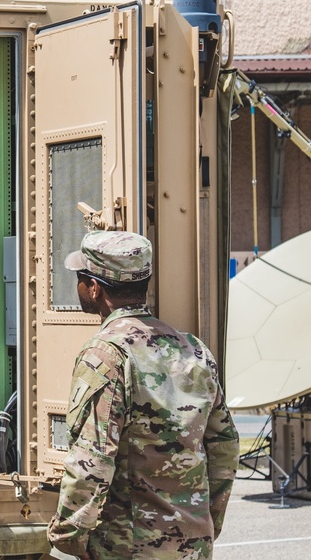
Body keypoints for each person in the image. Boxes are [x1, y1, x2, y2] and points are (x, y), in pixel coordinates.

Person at [47, 231, 240, 560]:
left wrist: (66, 536)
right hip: (191, 546)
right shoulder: (193, 349)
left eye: (80, 277)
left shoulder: (106, 353)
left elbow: (92, 458)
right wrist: (206, 522)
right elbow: (225, 445)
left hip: (128, 547)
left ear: (94, 288)